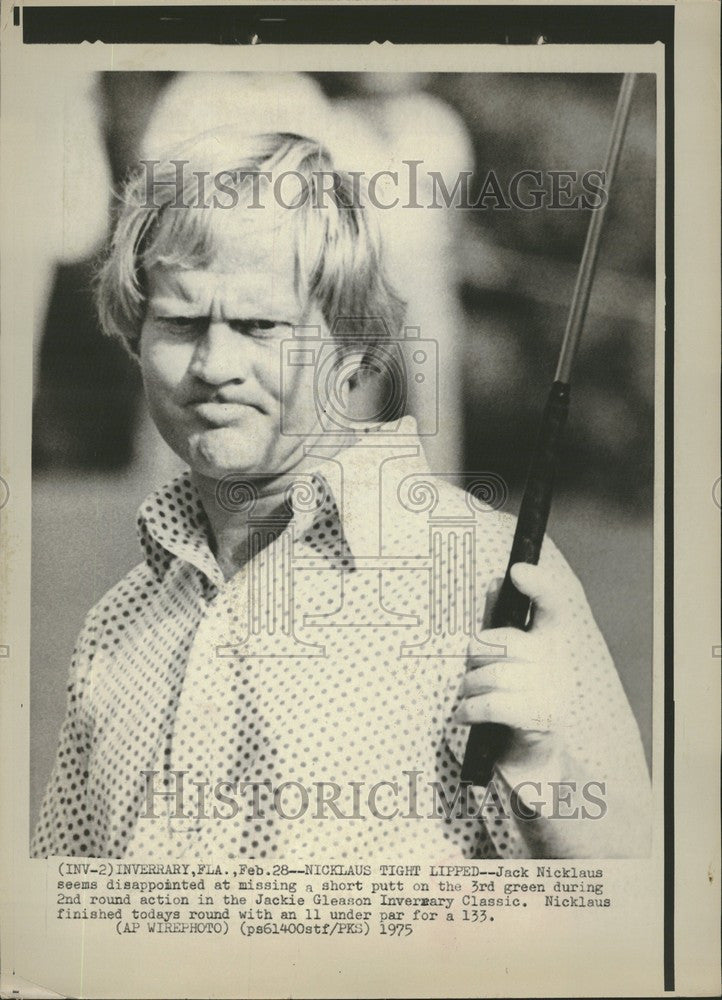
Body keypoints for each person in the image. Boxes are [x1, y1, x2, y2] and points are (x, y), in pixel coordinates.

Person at [31, 129, 650, 860]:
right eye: (181, 322)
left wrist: (547, 772)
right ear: (137, 335)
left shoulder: (484, 574)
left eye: (261, 325)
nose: (215, 364)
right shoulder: (115, 628)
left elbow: (641, 911)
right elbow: (60, 929)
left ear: (351, 346)